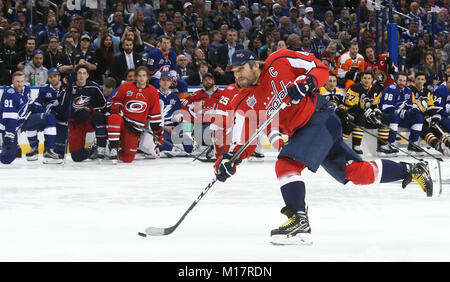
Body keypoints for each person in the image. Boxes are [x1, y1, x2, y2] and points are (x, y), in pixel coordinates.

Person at [215, 49, 433, 245]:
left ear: (255, 64)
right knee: (357, 173)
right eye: (233, 72)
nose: (237, 75)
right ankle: (412, 170)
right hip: (307, 132)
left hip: (319, 117)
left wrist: (307, 83)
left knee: (286, 164)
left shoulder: (279, 60)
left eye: (241, 69)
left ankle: (298, 218)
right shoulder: (244, 100)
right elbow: (243, 141)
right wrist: (228, 161)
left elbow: (319, 68)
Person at [106, 66, 163, 163]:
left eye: (144, 76)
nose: (141, 78)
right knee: (114, 117)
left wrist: (157, 132)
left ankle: (119, 148)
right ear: (136, 77)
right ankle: (113, 148)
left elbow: (155, 112)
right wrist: (118, 106)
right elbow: (112, 102)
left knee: (128, 158)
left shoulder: (152, 91)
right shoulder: (126, 86)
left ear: (147, 77)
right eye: (139, 75)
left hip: (135, 127)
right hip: (123, 121)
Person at [341, 71, 391, 156]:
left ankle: (382, 145)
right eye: (365, 78)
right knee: (361, 118)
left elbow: (374, 105)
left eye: (369, 78)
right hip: (351, 114)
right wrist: (365, 112)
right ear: (361, 79)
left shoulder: (376, 89)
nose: (367, 80)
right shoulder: (354, 88)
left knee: (384, 118)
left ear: (372, 79)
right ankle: (356, 146)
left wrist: (375, 112)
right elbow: (350, 106)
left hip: (366, 115)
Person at [25, 68, 69, 164]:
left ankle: (49, 151)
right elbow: (35, 105)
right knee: (30, 120)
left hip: (61, 121)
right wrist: (46, 109)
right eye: (50, 77)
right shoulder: (44, 89)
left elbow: (64, 110)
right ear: (48, 78)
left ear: (59, 77)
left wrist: (49, 108)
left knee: (60, 153)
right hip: (49, 119)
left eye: (55, 76)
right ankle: (34, 148)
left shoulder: (66, 89)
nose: (53, 79)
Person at [68, 64, 107, 162]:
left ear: (87, 75)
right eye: (79, 73)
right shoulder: (69, 88)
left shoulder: (93, 87)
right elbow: (64, 106)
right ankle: (92, 150)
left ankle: (102, 146)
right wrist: (75, 114)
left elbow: (103, 105)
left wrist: (90, 109)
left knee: (99, 117)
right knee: (76, 157)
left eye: (84, 73)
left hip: (90, 119)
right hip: (76, 122)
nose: (81, 76)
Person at [379, 72, 424, 155]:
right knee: (394, 117)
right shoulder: (390, 89)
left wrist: (413, 109)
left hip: (401, 115)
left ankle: (413, 143)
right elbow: (386, 107)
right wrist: (400, 111)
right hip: (387, 116)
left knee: (418, 117)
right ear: (396, 80)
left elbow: (409, 105)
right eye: (400, 80)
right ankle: (391, 143)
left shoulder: (408, 90)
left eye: (404, 81)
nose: (402, 82)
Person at [410, 72, 450, 155]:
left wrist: (434, 115)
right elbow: (412, 105)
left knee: (435, 124)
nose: (420, 81)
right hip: (414, 115)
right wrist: (424, 115)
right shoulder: (409, 89)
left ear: (425, 81)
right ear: (415, 79)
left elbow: (431, 105)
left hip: (426, 116)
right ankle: (436, 144)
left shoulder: (427, 91)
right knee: (422, 124)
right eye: (418, 79)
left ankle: (448, 142)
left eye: (422, 79)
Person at [182, 72, 223, 151]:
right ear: (202, 83)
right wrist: (191, 119)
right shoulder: (196, 95)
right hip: (202, 124)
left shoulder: (222, 94)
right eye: (205, 80)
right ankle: (211, 146)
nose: (207, 81)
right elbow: (183, 104)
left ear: (213, 81)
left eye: (209, 79)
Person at [0, 71, 32, 164]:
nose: (20, 84)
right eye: (17, 81)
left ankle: (36, 148)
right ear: (13, 81)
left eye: (22, 81)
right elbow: (10, 118)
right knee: (7, 159)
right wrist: (10, 135)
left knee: (46, 118)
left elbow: (29, 104)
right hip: (9, 125)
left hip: (22, 122)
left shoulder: (27, 89)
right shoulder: (9, 94)